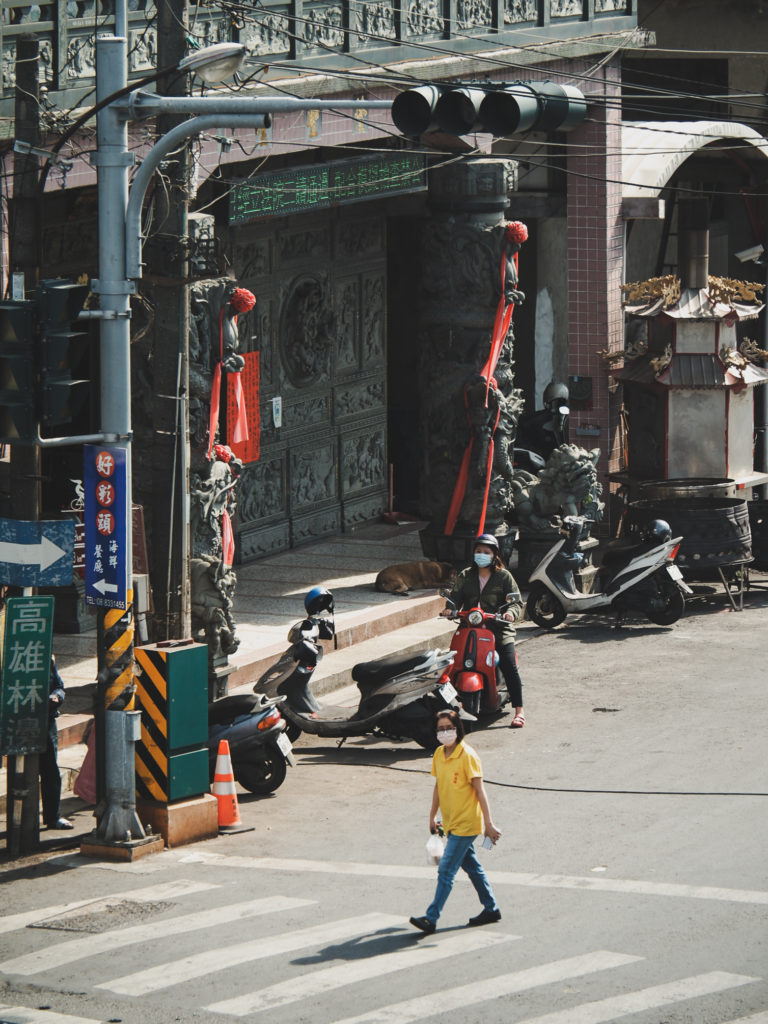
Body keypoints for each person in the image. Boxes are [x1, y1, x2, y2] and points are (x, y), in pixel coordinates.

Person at [410, 710, 502, 934]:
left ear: (457, 729)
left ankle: (431, 918)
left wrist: (488, 824)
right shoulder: (439, 754)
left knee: (446, 870)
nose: (444, 732)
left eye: (448, 728)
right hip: (451, 823)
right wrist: (432, 816)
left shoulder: (468, 755)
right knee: (472, 867)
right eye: (440, 729)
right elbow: (439, 787)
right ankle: (491, 908)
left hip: (467, 823)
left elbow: (480, 791)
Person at [442, 533, 525, 728]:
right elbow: (455, 598)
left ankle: (519, 710)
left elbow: (515, 601)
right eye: (478, 551)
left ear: (494, 555)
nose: (481, 555)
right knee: (452, 662)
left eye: (486, 552)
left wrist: (510, 613)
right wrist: (449, 608)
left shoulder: (504, 576)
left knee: (509, 665)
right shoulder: (466, 575)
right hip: (469, 628)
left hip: (499, 629)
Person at [40, 656, 74, 830]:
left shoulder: (47, 658)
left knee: (50, 771)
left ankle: (53, 817)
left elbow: (59, 687)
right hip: (17, 723)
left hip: (46, 722)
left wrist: (55, 697)